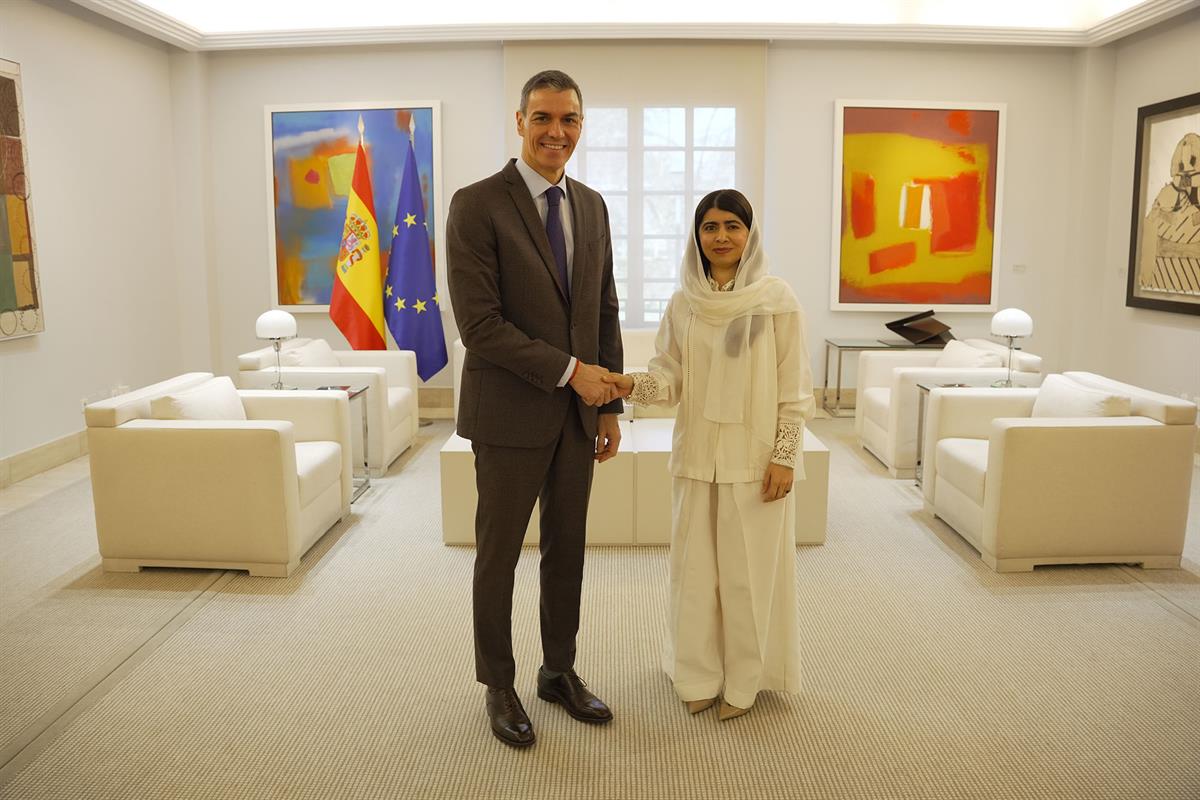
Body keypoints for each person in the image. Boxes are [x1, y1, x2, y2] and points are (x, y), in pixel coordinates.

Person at [446, 70, 623, 748]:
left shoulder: (593, 206)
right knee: (498, 555)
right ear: (519, 120)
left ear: (582, 125)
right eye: (544, 118)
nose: (557, 132)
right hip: (507, 416)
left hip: (580, 420)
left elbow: (602, 308)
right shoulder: (477, 204)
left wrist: (607, 409)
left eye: (570, 120)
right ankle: (498, 683)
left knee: (568, 549)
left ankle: (559, 671)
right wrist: (574, 373)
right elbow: (480, 326)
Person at [604, 190, 814, 720]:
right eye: (709, 227)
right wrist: (630, 384)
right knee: (694, 574)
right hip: (697, 455)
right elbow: (670, 379)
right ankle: (696, 674)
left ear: (750, 234)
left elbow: (795, 387)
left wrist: (785, 456)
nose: (720, 237)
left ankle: (745, 682)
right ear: (697, 236)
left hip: (756, 459)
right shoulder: (684, 303)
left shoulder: (777, 299)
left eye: (732, 226)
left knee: (748, 576)